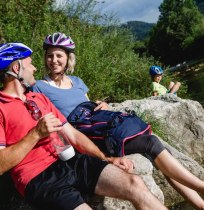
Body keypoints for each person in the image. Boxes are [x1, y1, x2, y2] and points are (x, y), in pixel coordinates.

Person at [32, 32, 204, 210]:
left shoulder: (77, 81)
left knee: (155, 149)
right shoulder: (40, 87)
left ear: (68, 58)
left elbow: (89, 106)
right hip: (84, 137)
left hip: (100, 127)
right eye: (50, 56)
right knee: (151, 143)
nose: (54, 60)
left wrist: (103, 106)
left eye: (59, 55)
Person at [0, 42, 168, 210]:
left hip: (71, 161)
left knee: (134, 183)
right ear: (16, 68)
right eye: (30, 64)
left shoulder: (38, 98)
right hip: (38, 177)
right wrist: (35, 134)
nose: (35, 68)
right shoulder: (1, 107)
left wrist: (104, 158)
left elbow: (73, 135)